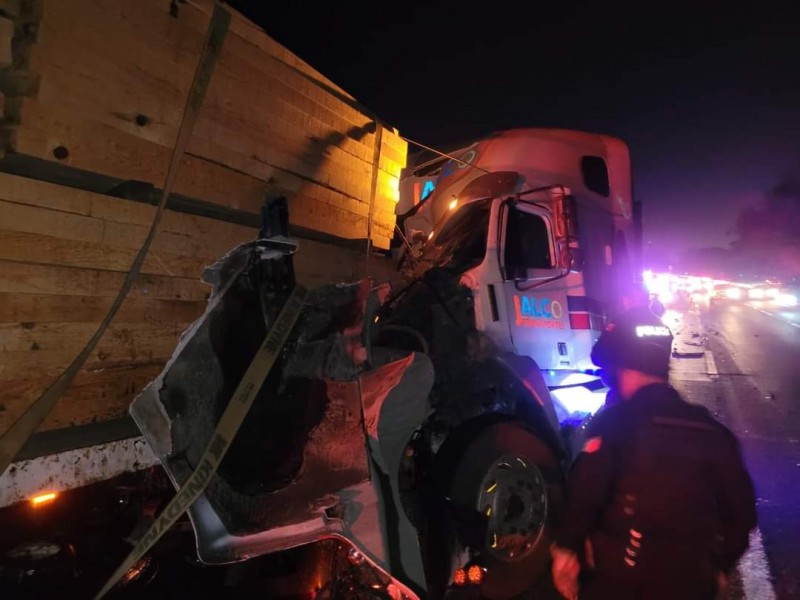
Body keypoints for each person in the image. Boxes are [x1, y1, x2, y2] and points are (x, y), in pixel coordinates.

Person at [550, 305, 757, 600]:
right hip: (693, 587)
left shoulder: (614, 425)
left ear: (618, 367)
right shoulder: (714, 433)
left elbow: (583, 499)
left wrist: (565, 551)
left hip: (619, 586)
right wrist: (718, 567)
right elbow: (741, 515)